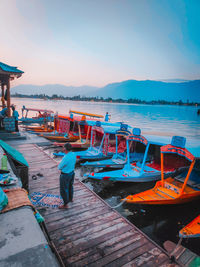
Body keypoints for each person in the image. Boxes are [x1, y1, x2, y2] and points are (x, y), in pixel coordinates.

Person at [58, 143, 76, 209]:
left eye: (63, 147)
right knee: (70, 186)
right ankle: (71, 198)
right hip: (72, 173)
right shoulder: (74, 154)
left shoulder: (66, 157)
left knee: (63, 189)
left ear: (65, 149)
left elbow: (59, 167)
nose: (62, 149)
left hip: (65, 175)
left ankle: (65, 204)